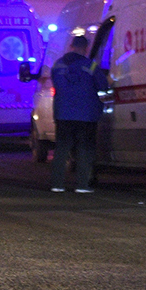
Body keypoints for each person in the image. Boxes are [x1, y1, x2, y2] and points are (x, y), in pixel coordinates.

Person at [49, 31, 108, 193]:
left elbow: (56, 84)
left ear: (71, 46)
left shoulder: (58, 65)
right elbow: (103, 86)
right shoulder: (91, 65)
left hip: (63, 114)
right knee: (84, 149)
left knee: (62, 149)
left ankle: (57, 184)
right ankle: (82, 185)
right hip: (86, 115)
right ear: (86, 48)